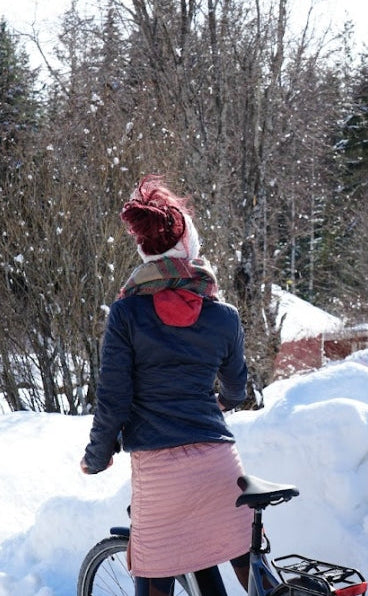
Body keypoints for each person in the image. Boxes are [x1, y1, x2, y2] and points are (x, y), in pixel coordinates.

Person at [81, 174, 252, 596]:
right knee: (229, 557)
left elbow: (114, 399)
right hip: (217, 463)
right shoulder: (224, 315)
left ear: (145, 252)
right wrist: (221, 401)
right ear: (191, 247)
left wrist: (97, 455)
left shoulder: (127, 314)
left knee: (157, 574)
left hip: (160, 472)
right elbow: (236, 388)